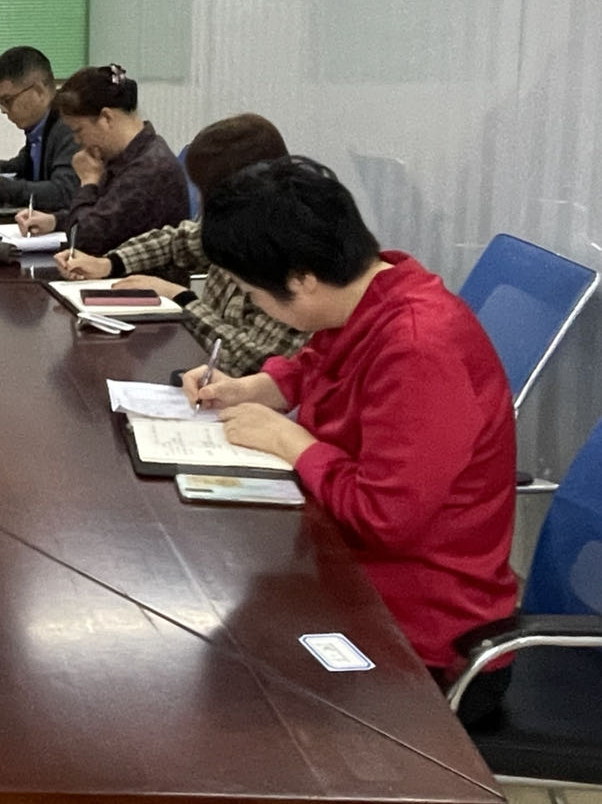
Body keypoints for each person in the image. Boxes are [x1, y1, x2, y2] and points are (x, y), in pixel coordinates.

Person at [180, 157, 517, 723]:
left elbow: (386, 516)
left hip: (421, 636)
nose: (254, 303)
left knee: (223, 697)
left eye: (252, 292)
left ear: (302, 278)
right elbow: (321, 364)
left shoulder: (418, 349)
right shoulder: (372, 294)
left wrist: (291, 442)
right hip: (348, 577)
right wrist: (255, 388)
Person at [56, 113, 308, 375]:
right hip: (209, 374)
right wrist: (109, 264)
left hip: (245, 390)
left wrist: (180, 297)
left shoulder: (289, 258)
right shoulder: (238, 226)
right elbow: (177, 241)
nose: (199, 201)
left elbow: (249, 361)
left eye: (205, 191)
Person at [14, 63, 186, 255]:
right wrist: (56, 221)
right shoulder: (129, 155)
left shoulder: (147, 170)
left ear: (106, 118)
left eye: (78, 130)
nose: (77, 141)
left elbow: (83, 240)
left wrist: (88, 182)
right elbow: (103, 214)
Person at [0, 45, 80, 209]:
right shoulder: (40, 128)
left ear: (39, 91)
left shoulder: (70, 126)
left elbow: (63, 193)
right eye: (0, 102)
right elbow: (24, 165)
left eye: (8, 101)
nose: (4, 110)